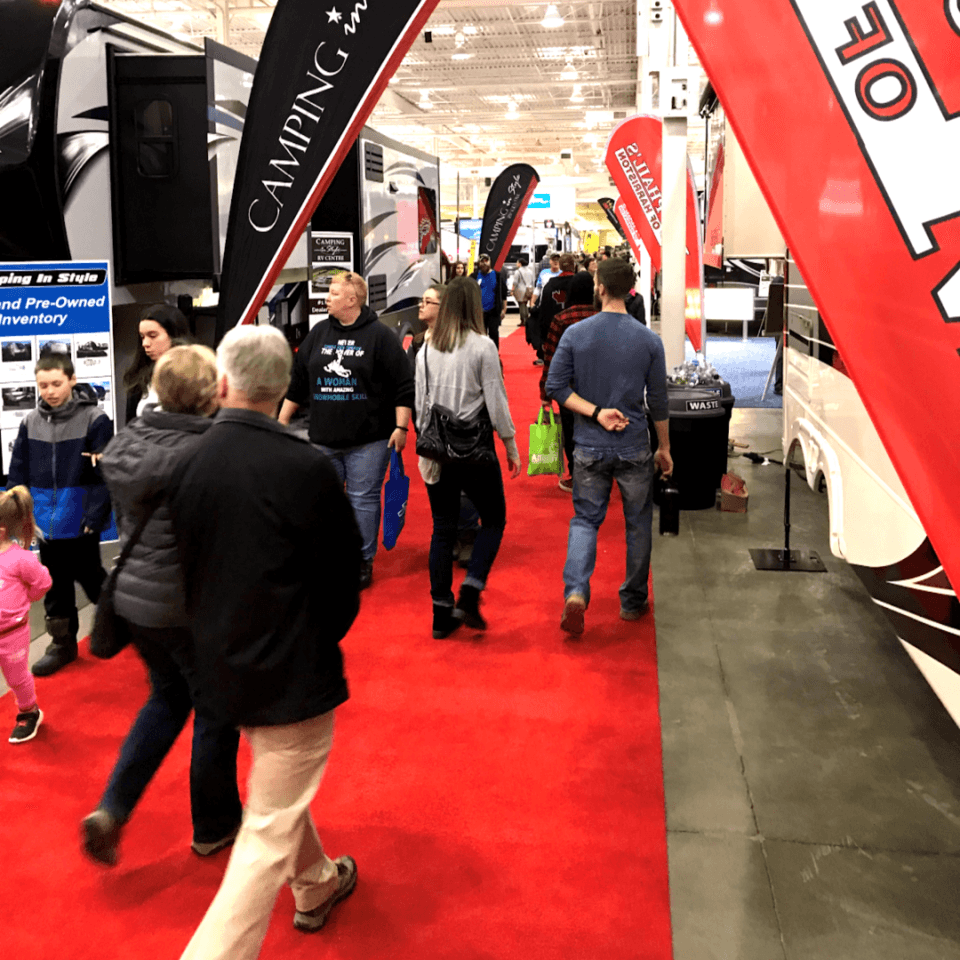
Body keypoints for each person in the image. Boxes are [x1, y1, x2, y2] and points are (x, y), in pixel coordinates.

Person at [171, 325, 362, 960]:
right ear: (285, 387)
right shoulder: (304, 465)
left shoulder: (188, 461)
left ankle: (317, 886)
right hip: (290, 677)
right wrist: (309, 641)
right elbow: (342, 583)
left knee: (278, 799)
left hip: (220, 670)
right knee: (263, 836)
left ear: (222, 382)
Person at [81, 345, 242, 867]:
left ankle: (113, 807)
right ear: (210, 392)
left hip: (134, 600)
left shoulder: (129, 441)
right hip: (188, 606)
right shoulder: (211, 452)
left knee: (167, 699)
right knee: (216, 713)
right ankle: (214, 826)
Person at [546, 257, 673, 636]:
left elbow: (556, 387)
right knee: (637, 525)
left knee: (585, 520)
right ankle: (632, 602)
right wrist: (663, 447)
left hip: (588, 446)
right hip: (634, 445)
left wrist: (596, 411)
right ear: (631, 289)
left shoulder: (575, 335)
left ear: (600, 287)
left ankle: (576, 593)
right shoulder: (649, 340)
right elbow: (660, 401)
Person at [279, 272, 413, 590]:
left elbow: (403, 385)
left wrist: (401, 427)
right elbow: (298, 382)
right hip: (323, 437)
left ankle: (362, 561)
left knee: (362, 500)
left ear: (352, 300)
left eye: (334, 293)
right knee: (324, 500)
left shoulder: (379, 336)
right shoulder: (319, 332)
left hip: (369, 439)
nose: (326, 297)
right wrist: (280, 422)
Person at [415, 277, 522, 639]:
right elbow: (496, 400)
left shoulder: (427, 350)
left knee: (442, 530)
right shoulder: (483, 347)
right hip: (475, 452)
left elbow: (420, 406)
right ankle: (472, 590)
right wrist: (510, 444)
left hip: (438, 452)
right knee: (493, 519)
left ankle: (440, 613)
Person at [7, 354, 112, 676]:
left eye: (56, 383)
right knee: (55, 584)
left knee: (93, 579)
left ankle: (127, 627)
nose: (50, 391)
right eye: (43, 385)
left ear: (71, 379)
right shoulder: (29, 422)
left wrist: (94, 516)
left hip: (79, 519)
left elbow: (106, 474)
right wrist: (16, 510)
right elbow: (18, 471)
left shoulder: (95, 420)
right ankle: (62, 644)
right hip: (44, 522)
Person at [0, 488, 52, 744]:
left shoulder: (21, 560)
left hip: (12, 634)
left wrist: (26, 598)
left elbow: (43, 582)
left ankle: (28, 712)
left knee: (17, 678)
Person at [540, 271, 597, 492]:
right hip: (600, 386)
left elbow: (550, 358)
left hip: (569, 389)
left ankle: (576, 476)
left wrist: (545, 395)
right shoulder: (601, 316)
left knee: (571, 433)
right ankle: (598, 474)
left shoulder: (561, 319)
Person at [122, 304, 191, 423]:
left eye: (152, 335)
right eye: (142, 337)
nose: (145, 343)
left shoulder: (195, 376)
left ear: (174, 335)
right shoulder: (139, 380)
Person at [537, 252, 578, 362]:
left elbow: (543, 312)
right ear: (574, 265)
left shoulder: (549, 285)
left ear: (560, 265)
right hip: (577, 332)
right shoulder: (579, 283)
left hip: (555, 331)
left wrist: (544, 337)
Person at [528, 252, 562, 363]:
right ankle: (541, 356)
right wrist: (532, 302)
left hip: (558, 307)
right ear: (550, 261)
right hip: (543, 306)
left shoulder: (563, 274)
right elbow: (538, 288)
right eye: (553, 259)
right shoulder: (544, 273)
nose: (556, 261)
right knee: (542, 330)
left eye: (558, 259)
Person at [471, 254, 508, 350]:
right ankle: (480, 355)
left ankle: (495, 353)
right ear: (478, 263)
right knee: (480, 335)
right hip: (479, 312)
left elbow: (503, 294)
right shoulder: (474, 276)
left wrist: (504, 309)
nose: (484, 263)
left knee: (494, 333)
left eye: (486, 261)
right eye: (482, 261)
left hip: (493, 311)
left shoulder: (497, 276)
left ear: (490, 262)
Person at [510, 257, 535, 339]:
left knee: (521, 304)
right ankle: (526, 319)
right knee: (525, 303)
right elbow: (532, 281)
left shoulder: (518, 271)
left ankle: (524, 320)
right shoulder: (530, 271)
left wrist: (512, 290)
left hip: (520, 290)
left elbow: (515, 282)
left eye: (517, 262)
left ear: (520, 263)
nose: (516, 264)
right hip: (528, 289)